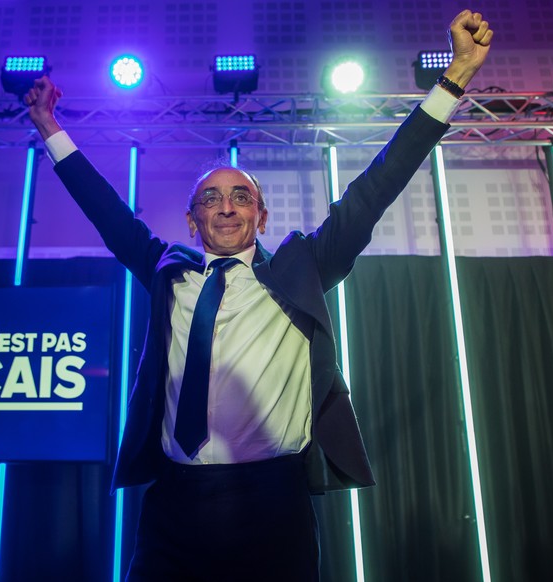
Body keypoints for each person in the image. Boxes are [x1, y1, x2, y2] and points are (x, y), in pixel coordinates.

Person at [25, 10, 492, 581]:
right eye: (211, 199)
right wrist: (50, 128)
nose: (226, 207)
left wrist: (455, 79)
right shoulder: (166, 271)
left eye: (240, 198)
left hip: (271, 503)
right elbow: (106, 211)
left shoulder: (304, 267)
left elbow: (378, 186)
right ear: (192, 220)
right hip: (175, 503)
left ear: (261, 216)